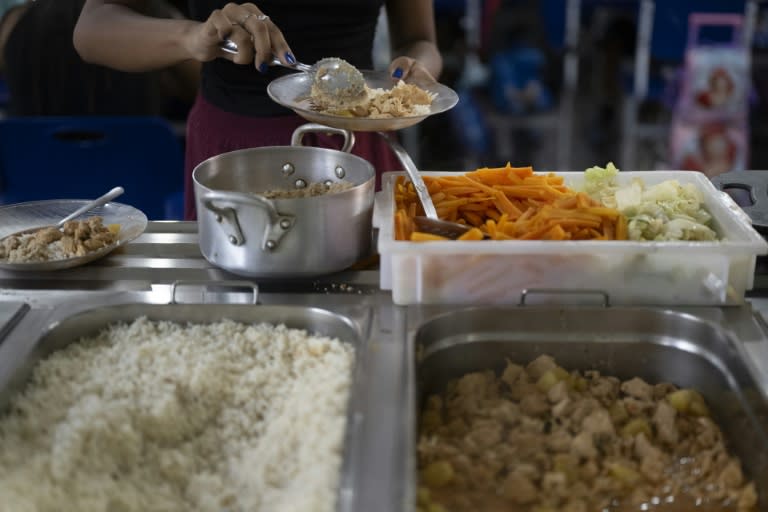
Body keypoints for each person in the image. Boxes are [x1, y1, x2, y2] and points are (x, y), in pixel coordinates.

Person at [73, 1, 443, 220]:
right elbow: (93, 27)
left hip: (355, 145)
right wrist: (189, 37)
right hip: (232, 156)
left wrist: (416, 71)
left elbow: (420, 40)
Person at [3, 0, 199, 118]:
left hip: (33, 170)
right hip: (134, 167)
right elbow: (203, 84)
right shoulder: (151, 17)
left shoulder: (15, 24)